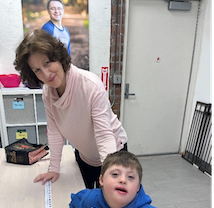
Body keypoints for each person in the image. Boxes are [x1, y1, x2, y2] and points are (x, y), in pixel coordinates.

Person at [14, 29, 128, 188]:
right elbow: (54, 131)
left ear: (59, 57)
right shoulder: (48, 93)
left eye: (47, 63)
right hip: (85, 157)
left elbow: (103, 134)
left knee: (111, 205)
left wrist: (111, 173)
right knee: (84, 201)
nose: (46, 74)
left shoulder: (90, 85)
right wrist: (54, 168)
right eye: (37, 70)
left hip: (113, 153)